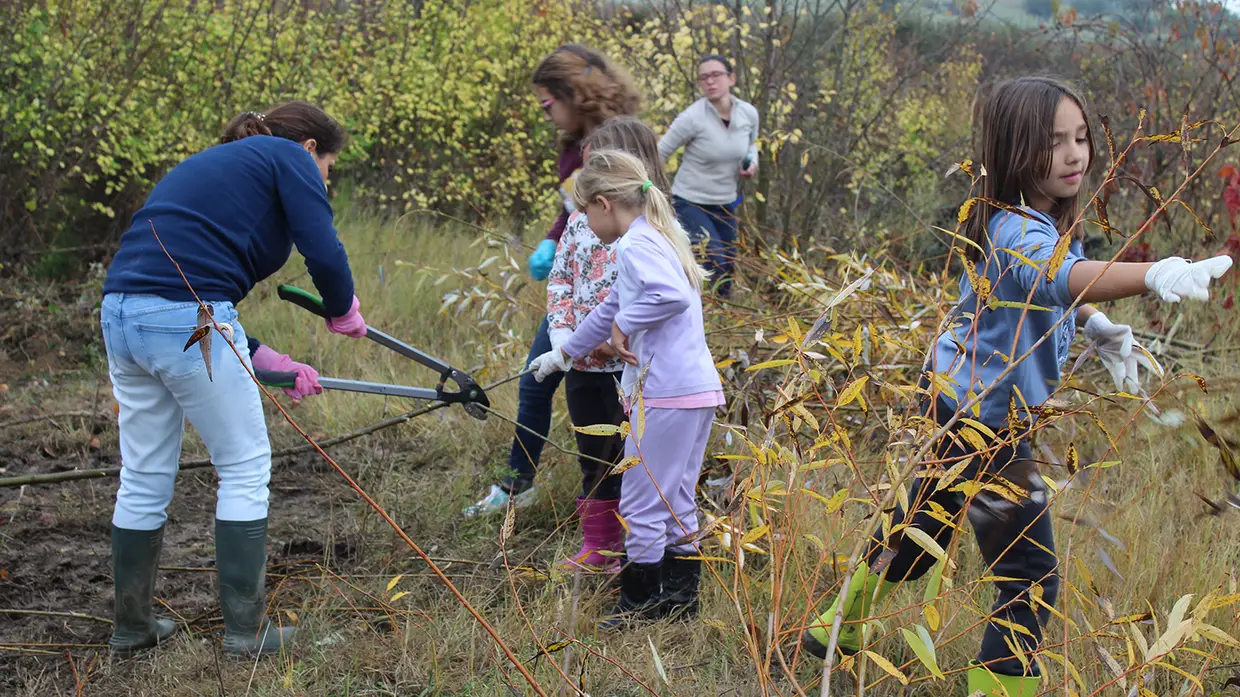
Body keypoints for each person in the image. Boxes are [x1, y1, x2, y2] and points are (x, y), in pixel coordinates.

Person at [800, 77, 1233, 697]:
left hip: (960, 401)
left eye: (1081, 137)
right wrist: (1154, 273)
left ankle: (830, 631)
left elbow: (1054, 288)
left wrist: (1097, 325)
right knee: (1030, 574)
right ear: (1013, 150)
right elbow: (1059, 277)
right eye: (1055, 142)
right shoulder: (1013, 229)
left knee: (918, 536)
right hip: (980, 419)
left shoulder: (1046, 220)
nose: (1075, 154)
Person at [100, 101, 368, 657]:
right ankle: (247, 634)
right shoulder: (287, 157)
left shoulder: (216, 168)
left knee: (145, 473)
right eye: (329, 169)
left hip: (122, 317)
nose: (325, 182)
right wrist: (342, 307)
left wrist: (271, 360)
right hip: (186, 319)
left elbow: (182, 293)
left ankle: (132, 628)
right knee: (245, 467)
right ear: (311, 149)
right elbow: (322, 245)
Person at [529, 149, 721, 628]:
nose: (584, 223)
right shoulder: (658, 237)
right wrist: (563, 354)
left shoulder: (635, 245)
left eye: (584, 212)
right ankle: (680, 600)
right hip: (693, 391)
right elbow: (608, 307)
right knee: (675, 496)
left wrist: (623, 325)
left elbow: (668, 298)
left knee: (639, 500)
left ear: (603, 203)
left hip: (665, 393)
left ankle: (639, 602)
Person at [465, 44, 641, 517]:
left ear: (573, 92)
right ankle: (518, 483)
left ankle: (618, 500)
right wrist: (552, 239)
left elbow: (624, 219)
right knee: (536, 382)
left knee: (601, 402)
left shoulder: (617, 142)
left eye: (548, 103)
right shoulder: (575, 144)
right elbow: (575, 210)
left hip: (609, 297)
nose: (547, 115)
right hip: (571, 290)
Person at [546, 117, 674, 572]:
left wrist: (610, 341)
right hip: (582, 368)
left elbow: (657, 300)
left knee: (634, 461)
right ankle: (599, 549)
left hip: (630, 370)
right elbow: (561, 279)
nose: (586, 165)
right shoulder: (581, 222)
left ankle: (643, 551)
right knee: (593, 456)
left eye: (597, 158)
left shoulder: (653, 231)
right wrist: (564, 337)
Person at [658, 54, 759, 297]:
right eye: (704, 78)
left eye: (716, 75)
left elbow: (752, 144)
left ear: (731, 78)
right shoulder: (691, 118)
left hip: (725, 202)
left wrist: (752, 162)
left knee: (727, 271)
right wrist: (652, 191)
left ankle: (721, 319)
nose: (710, 82)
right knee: (714, 259)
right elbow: (659, 153)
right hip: (689, 201)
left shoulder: (748, 114)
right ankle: (694, 311)